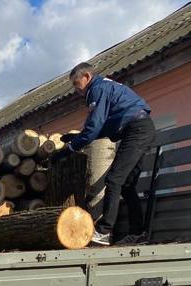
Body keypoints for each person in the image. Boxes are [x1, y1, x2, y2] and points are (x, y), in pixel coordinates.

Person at [56, 62, 155, 246]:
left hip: (136, 130)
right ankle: (138, 233)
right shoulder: (105, 86)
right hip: (141, 128)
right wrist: (76, 137)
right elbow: (101, 127)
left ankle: (103, 231)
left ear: (86, 76)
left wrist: (70, 148)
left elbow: (94, 127)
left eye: (77, 84)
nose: (77, 91)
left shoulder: (97, 89)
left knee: (114, 180)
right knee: (126, 184)